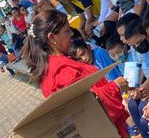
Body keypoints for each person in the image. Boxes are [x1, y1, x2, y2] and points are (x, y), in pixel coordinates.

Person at [23, 10, 131, 138]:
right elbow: (87, 106)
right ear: (52, 37)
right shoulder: (61, 70)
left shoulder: (50, 67)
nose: (71, 34)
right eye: (67, 31)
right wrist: (116, 86)